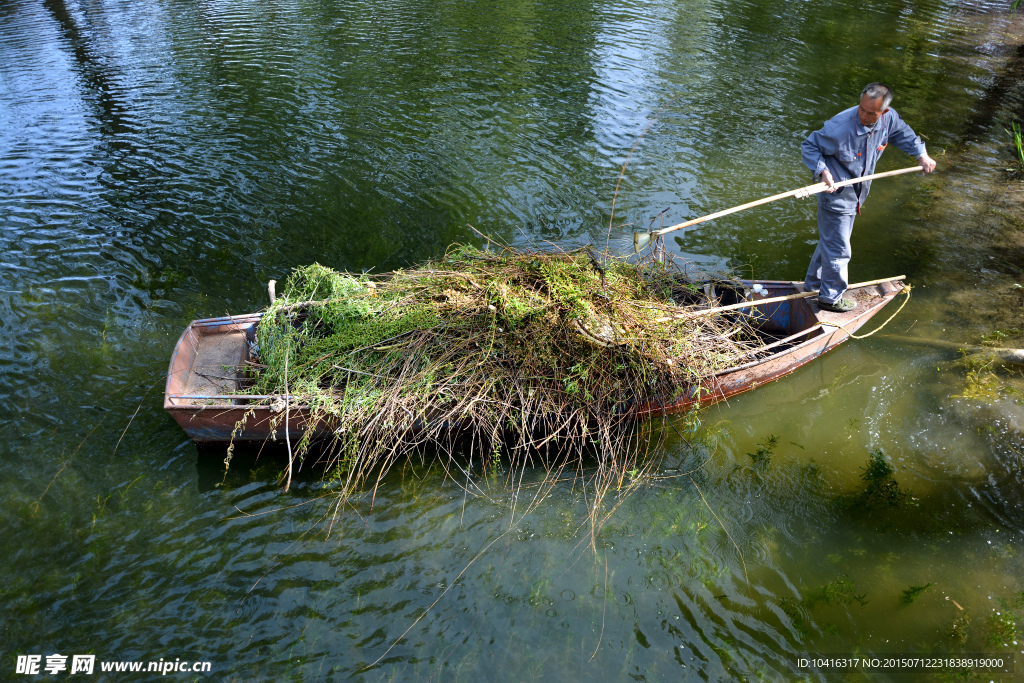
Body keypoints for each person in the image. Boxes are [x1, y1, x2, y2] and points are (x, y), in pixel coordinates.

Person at [801, 83, 937, 312]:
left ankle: (813, 285)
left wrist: (921, 155)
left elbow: (903, 134)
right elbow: (810, 146)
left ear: (883, 112)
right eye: (861, 109)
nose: (863, 115)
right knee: (839, 248)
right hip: (836, 195)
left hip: (857, 194)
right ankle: (830, 297)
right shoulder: (839, 127)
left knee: (832, 241)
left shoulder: (889, 119)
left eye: (870, 113)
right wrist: (823, 171)